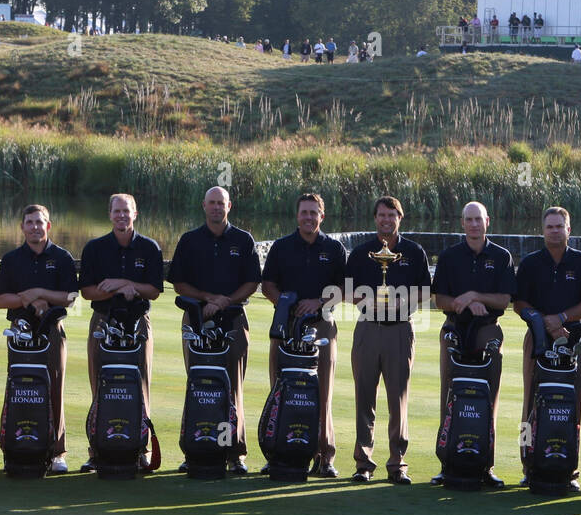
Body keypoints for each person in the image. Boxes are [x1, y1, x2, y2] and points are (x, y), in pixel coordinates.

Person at [168, 186, 262, 474]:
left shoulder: (243, 240)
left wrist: (225, 302)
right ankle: (195, 448)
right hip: (196, 319)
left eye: (221, 203)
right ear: (204, 206)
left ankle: (233, 452)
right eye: (212, 203)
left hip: (233, 320)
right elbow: (179, 283)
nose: (216, 208)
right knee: (198, 385)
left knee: (231, 387)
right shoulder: (189, 240)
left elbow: (252, 282)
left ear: (229, 206)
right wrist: (208, 299)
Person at [344, 197, 432, 484]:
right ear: (375, 218)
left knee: (398, 399)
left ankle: (397, 463)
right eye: (381, 215)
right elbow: (347, 292)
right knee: (364, 398)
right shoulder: (360, 253)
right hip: (368, 328)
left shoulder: (413, 251)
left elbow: (425, 292)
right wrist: (373, 298)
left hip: (399, 330)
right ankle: (363, 463)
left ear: (400, 218)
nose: (386, 220)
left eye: (391, 215)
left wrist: (399, 300)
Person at [261, 193, 348, 477]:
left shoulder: (334, 248)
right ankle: (276, 452)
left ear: (322, 217)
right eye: (304, 212)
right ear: (297, 215)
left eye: (314, 213)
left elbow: (343, 290)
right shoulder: (282, 246)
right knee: (279, 390)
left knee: (322, 393)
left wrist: (318, 303)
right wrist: (284, 302)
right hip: (285, 326)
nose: (308, 217)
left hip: (321, 326)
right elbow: (267, 286)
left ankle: (325, 456)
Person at [514, 207, 581, 488]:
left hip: (571, 342)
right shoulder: (530, 263)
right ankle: (529, 465)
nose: (554, 230)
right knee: (530, 403)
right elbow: (520, 303)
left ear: (568, 229)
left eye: (559, 226)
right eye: (549, 226)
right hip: (537, 342)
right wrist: (544, 322)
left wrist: (562, 319)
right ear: (543, 230)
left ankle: (568, 468)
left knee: (573, 405)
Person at [78, 193, 164, 472]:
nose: (121, 216)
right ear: (110, 214)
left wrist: (126, 283)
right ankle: (97, 448)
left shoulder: (149, 248)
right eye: (117, 211)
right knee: (100, 383)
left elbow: (154, 290)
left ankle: (140, 449)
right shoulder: (95, 248)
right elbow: (88, 291)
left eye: (126, 211)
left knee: (140, 385)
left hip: (138, 321)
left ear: (135, 214)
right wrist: (118, 287)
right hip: (103, 320)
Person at [431, 202, 516, 487]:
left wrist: (473, 296)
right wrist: (461, 302)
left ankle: (486, 464)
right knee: (450, 395)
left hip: (488, 331)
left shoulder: (502, 256)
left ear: (487, 222)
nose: (474, 224)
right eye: (469, 220)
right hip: (454, 329)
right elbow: (440, 299)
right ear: (462, 223)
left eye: (478, 219)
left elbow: (504, 300)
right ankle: (447, 462)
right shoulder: (449, 256)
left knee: (488, 398)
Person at [0, 205, 79, 474]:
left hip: (52, 330)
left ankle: (57, 452)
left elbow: (72, 298)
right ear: (22, 227)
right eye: (29, 222)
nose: (34, 227)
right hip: (19, 331)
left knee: (54, 387)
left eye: (39, 222)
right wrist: (26, 298)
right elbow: (0, 300)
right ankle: (15, 445)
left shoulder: (62, 257)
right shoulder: (11, 259)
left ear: (48, 226)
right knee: (19, 388)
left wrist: (41, 293)